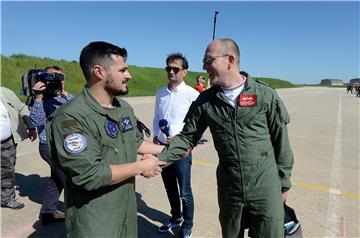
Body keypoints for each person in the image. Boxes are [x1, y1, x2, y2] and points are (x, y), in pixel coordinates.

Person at [156, 38, 294, 238]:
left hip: (265, 187)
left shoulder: (264, 95)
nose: (204, 66)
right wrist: (159, 159)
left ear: (230, 60)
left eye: (208, 60)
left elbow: (281, 143)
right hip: (230, 189)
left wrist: (283, 184)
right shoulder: (205, 101)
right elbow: (186, 138)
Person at [46, 41, 166, 238]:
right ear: (99, 72)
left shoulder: (123, 108)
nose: (129, 75)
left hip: (126, 214)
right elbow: (90, 174)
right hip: (95, 221)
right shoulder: (70, 118)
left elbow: (134, 141)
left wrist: (164, 150)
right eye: (123, 70)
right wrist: (142, 167)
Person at [153, 53, 199, 238]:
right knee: (169, 188)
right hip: (162, 149)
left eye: (176, 69)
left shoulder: (193, 94)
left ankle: (187, 227)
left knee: (185, 192)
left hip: (181, 150)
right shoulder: (160, 92)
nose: (171, 72)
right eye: (168, 68)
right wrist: (156, 135)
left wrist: (189, 142)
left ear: (185, 72)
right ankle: (175, 218)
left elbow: (199, 123)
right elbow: (157, 116)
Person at [29, 66, 74, 225]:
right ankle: (79, 214)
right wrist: (39, 97)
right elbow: (35, 121)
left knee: (57, 179)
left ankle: (48, 213)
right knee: (70, 179)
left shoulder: (65, 97)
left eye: (59, 79)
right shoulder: (38, 99)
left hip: (65, 145)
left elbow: (80, 107)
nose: (56, 83)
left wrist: (64, 93)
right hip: (49, 146)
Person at [1, 87, 37, 209]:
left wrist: (30, 127)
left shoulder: (5, 92)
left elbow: (22, 109)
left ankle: (6, 198)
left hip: (7, 141)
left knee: (7, 170)